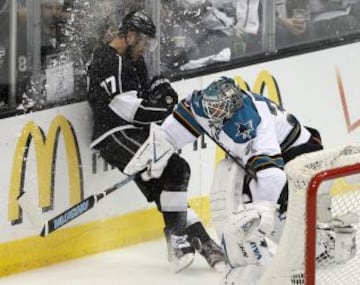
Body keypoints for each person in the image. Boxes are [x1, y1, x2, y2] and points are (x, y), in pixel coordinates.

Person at [125, 76, 335, 284]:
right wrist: (155, 155)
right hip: (262, 162)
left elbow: (272, 175)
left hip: (297, 156)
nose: (213, 114)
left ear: (234, 106)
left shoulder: (254, 123)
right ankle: (257, 264)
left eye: (219, 110)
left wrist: (263, 209)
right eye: (211, 109)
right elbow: (171, 134)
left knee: (270, 214)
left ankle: (317, 248)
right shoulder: (201, 105)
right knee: (240, 207)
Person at [86, 11, 226, 273]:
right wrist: (169, 109)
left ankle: (201, 241)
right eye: (143, 44)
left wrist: (161, 95)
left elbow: (148, 97)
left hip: (137, 134)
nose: (145, 50)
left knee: (170, 182)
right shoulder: (107, 59)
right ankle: (179, 239)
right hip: (115, 136)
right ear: (128, 36)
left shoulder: (134, 62)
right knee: (176, 170)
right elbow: (132, 111)